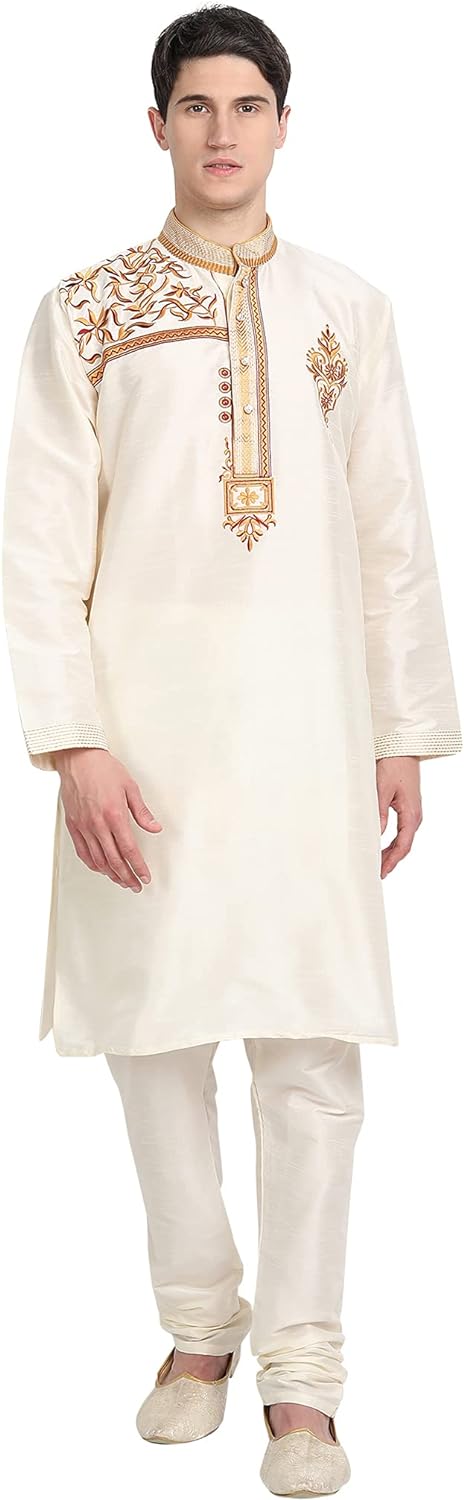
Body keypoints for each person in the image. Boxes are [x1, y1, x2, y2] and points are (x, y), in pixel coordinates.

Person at [2, 5, 462, 1493]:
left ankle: (306, 1375)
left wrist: (403, 733)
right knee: (154, 1044)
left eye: (246, 105)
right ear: (156, 127)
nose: (220, 130)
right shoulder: (85, 311)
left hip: (311, 733)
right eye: (194, 105)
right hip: (143, 745)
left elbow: (394, 534)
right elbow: (38, 546)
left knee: (311, 1049)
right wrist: (73, 743)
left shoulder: (350, 308)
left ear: (282, 124)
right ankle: (199, 1327)